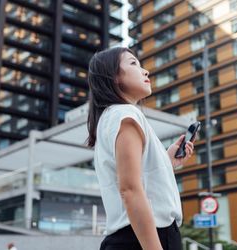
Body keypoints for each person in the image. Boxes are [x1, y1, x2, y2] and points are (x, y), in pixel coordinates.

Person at [86, 47, 195, 250]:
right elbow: (130, 189)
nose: (146, 71)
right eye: (134, 63)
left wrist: (167, 161)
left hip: (131, 238)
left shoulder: (110, 118)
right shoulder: (126, 115)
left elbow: (137, 180)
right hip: (144, 238)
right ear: (114, 77)